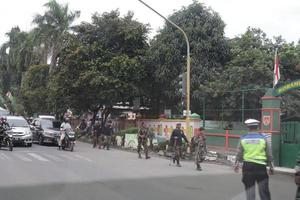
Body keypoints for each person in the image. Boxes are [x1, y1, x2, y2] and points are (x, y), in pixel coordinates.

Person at [234, 119, 274, 200]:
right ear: (258, 127)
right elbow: (269, 153)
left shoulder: (243, 138)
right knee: (264, 191)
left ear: (248, 127)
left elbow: (239, 153)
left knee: (250, 191)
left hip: (247, 167)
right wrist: (271, 166)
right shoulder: (263, 138)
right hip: (261, 167)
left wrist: (236, 164)